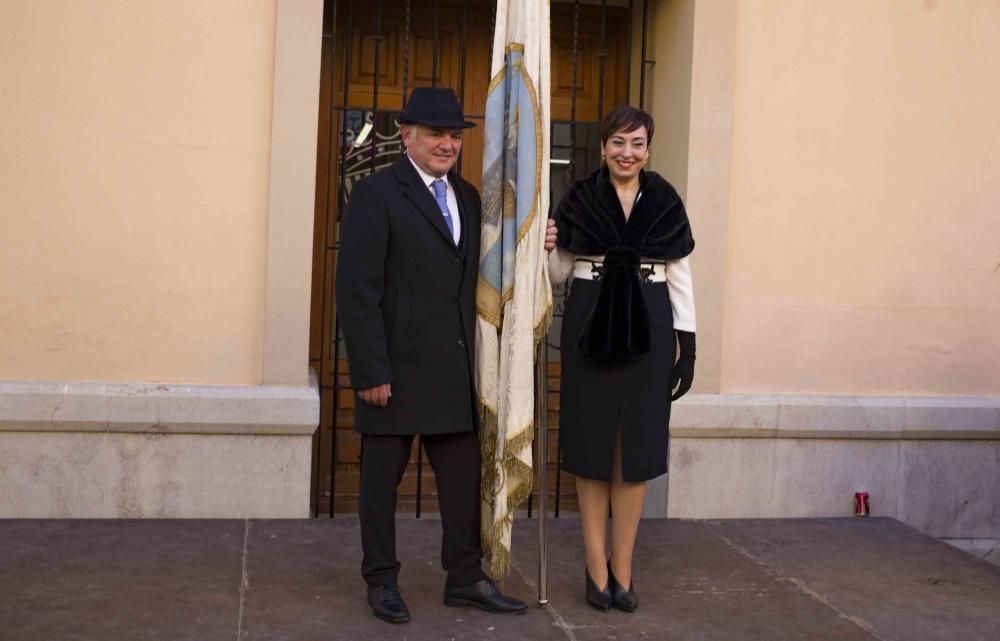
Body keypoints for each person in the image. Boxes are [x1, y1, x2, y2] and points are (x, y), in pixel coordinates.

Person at [335, 87, 527, 624]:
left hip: (452, 372)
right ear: (408, 135)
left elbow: (483, 269)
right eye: (436, 133)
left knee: (462, 484)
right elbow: (357, 291)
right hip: (392, 374)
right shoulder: (376, 194)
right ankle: (381, 581)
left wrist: (539, 240)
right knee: (379, 487)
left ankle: (464, 578)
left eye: (454, 135)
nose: (448, 143)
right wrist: (370, 370)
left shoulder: (467, 196)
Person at [546, 105, 696, 613]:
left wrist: (687, 346)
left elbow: (680, 275)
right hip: (589, 324)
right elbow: (556, 276)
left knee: (635, 450)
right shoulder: (580, 199)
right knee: (591, 447)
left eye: (636, 143)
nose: (626, 153)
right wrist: (545, 248)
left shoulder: (666, 201)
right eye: (617, 143)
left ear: (648, 148)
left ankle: (623, 570)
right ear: (604, 147)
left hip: (650, 327)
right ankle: (594, 566)